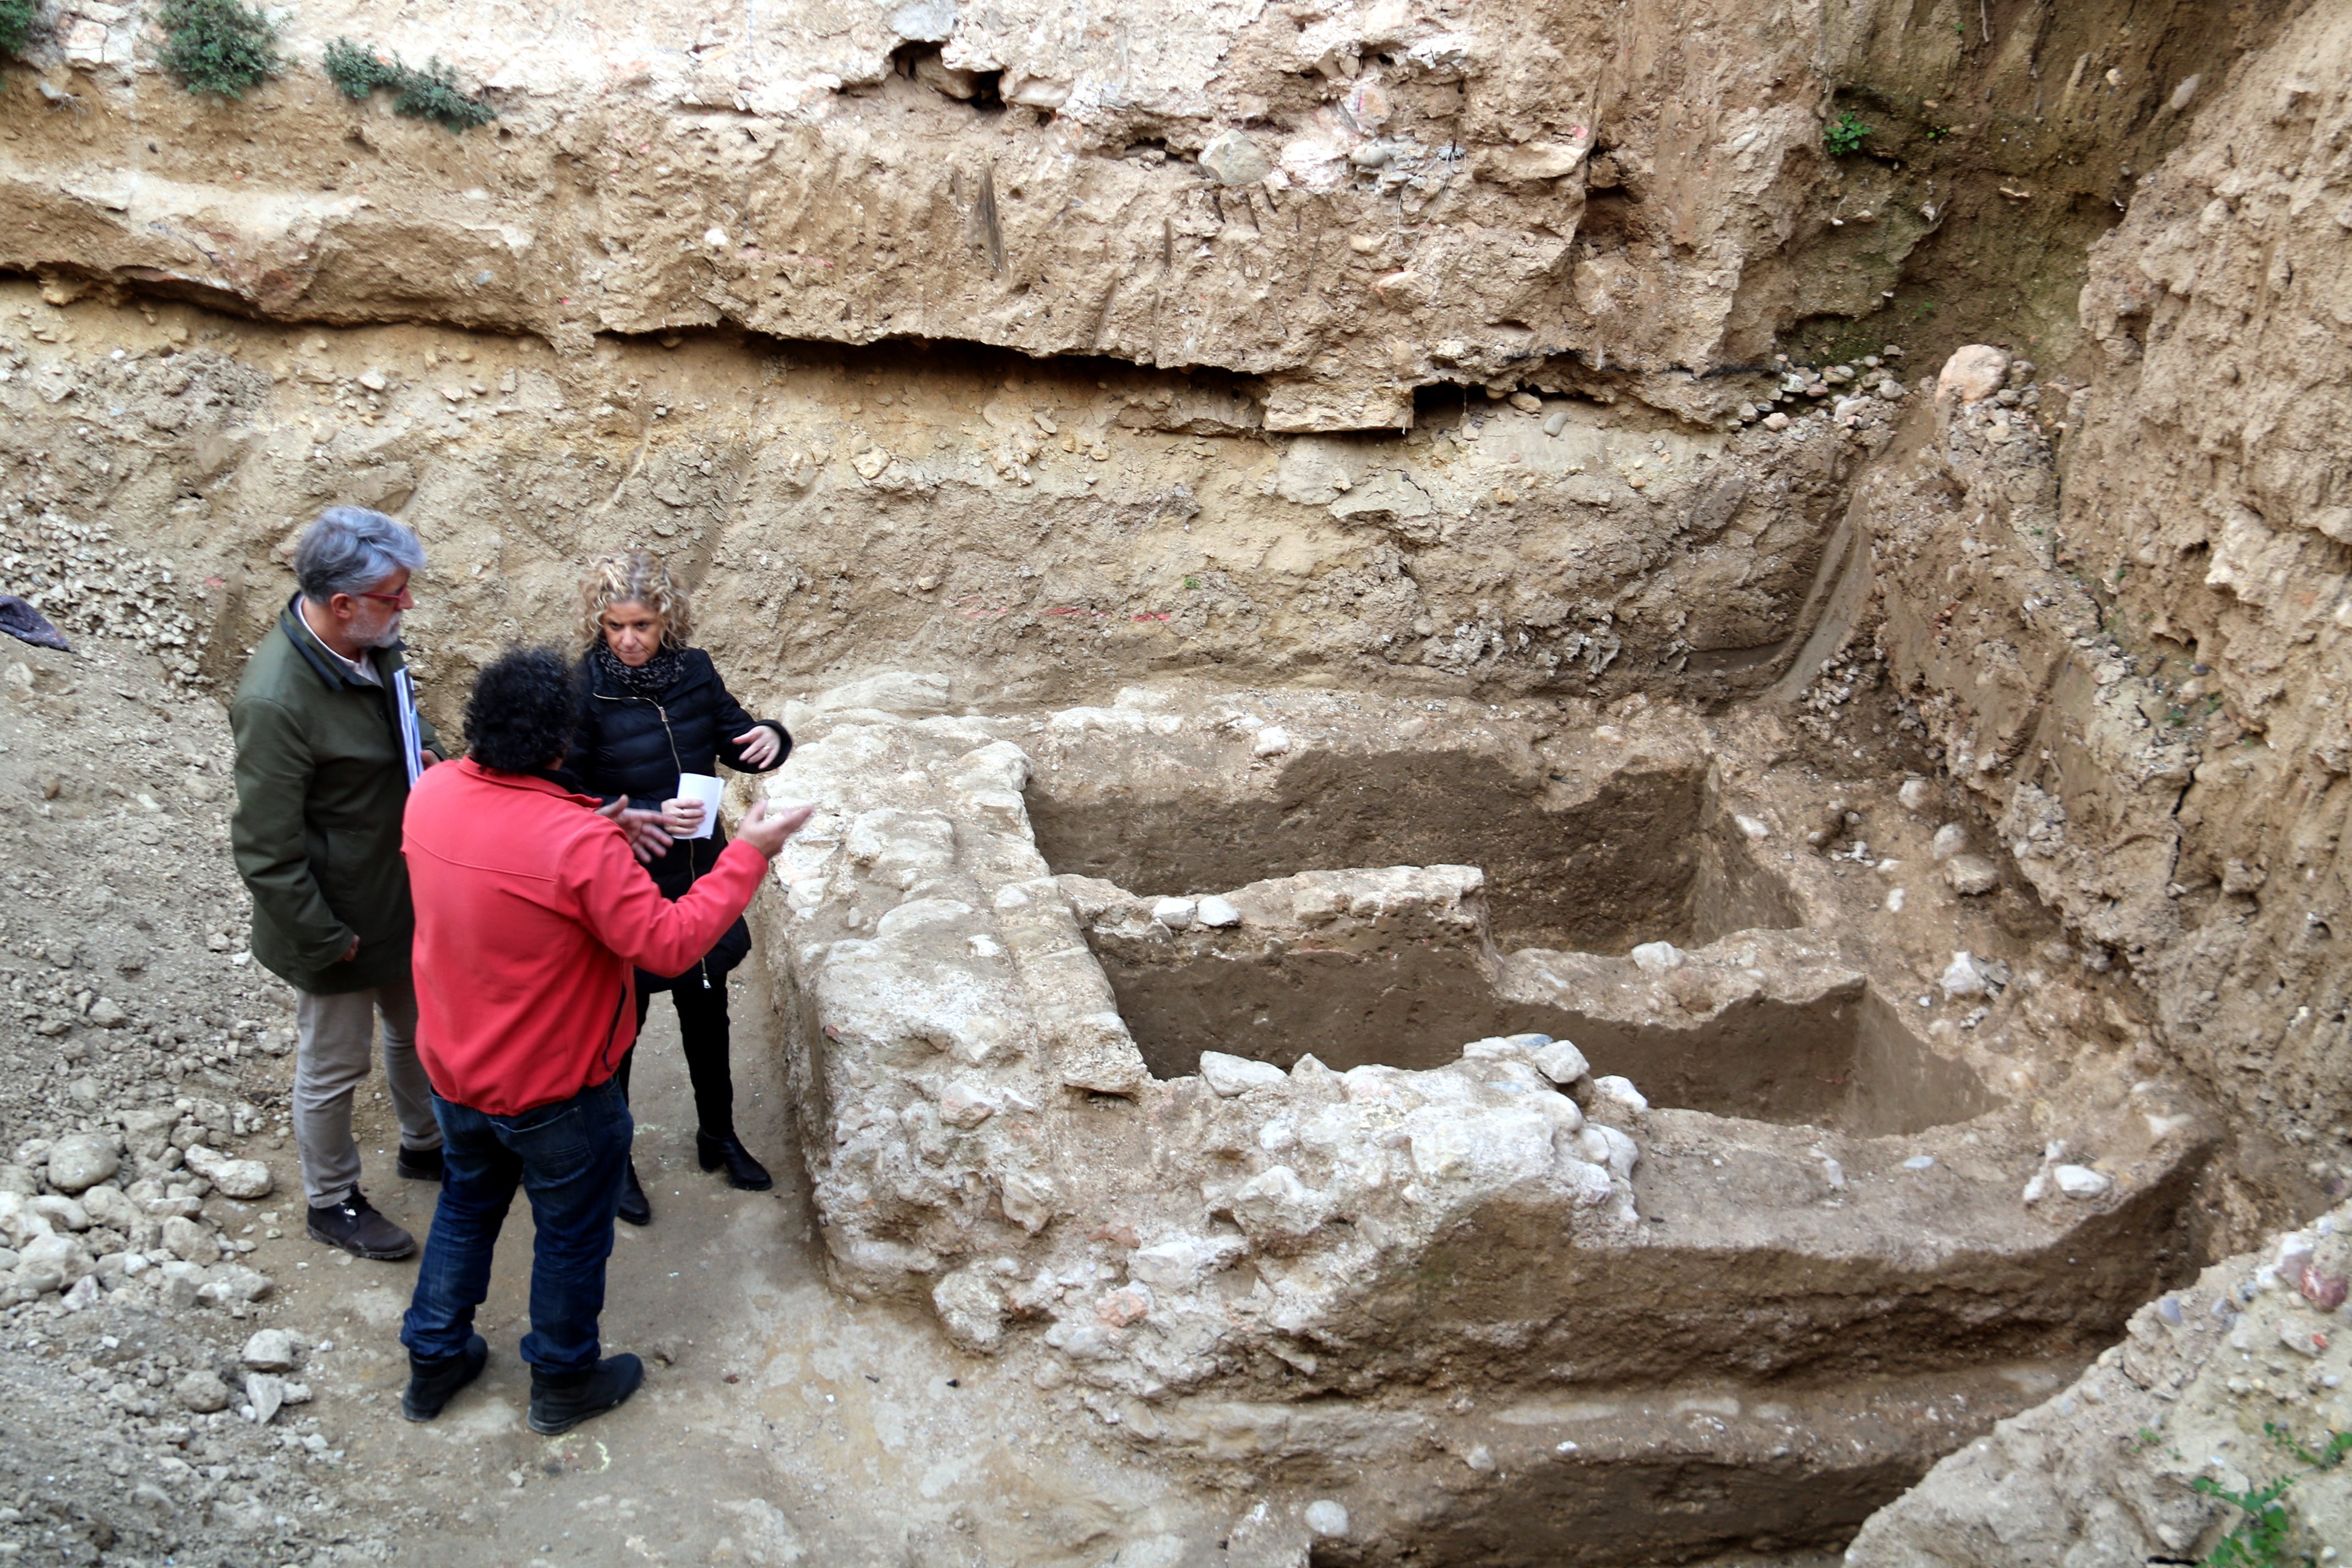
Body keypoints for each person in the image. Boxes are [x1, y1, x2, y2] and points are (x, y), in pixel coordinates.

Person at [396, 646, 813, 1433]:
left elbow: (505, 846)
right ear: (560, 744)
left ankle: (433, 1359)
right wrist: (750, 852)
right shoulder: (575, 845)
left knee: (465, 1207)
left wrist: (596, 820)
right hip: (553, 1087)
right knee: (570, 1235)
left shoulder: (433, 793)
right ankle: (561, 1380)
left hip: (454, 1066)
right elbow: (668, 943)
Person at [231, 507, 445, 1261]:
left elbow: (411, 733)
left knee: (418, 1033)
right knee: (333, 1066)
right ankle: (332, 1200)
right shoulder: (276, 699)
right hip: (339, 922)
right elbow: (265, 849)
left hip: (400, 893)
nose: (406, 606)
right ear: (343, 602)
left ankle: (425, 1145)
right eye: (395, 594)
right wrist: (328, 938)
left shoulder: (369, 643)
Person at [562, 551, 790, 1225]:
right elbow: (566, 790)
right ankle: (617, 1159)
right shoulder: (584, 687)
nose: (627, 640)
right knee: (621, 1028)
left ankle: (716, 1136)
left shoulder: (694, 671)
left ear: (668, 619)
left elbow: (734, 732)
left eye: (641, 625)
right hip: (626, 875)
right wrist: (634, 815)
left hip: (698, 871)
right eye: (613, 627)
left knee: (707, 1010)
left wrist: (772, 738)